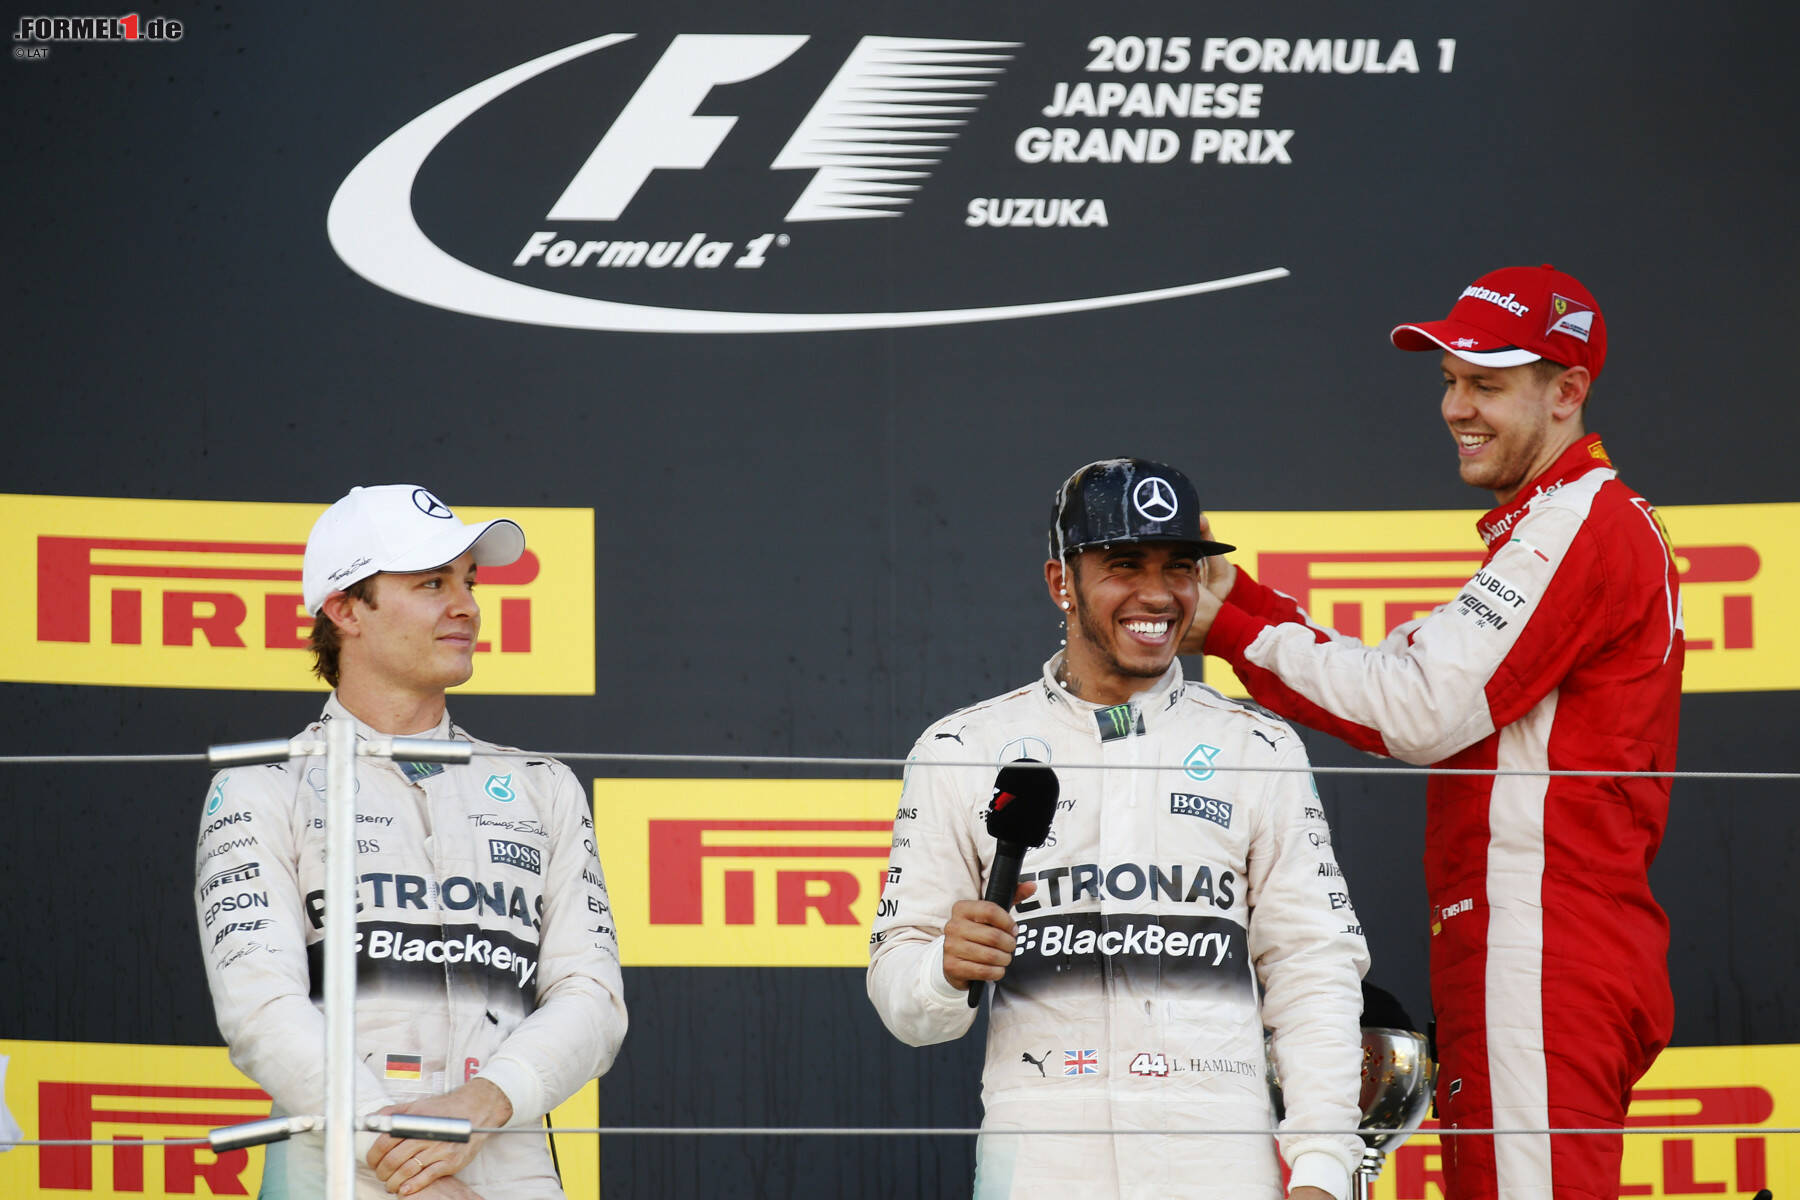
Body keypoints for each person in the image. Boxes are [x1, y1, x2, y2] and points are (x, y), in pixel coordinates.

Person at [1185, 265, 1680, 1199]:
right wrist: (1239, 601)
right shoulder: (1553, 530)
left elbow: (1415, 709)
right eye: (1451, 381)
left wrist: (1234, 631)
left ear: (1567, 392)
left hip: (1545, 946)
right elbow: (1404, 674)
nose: (1456, 408)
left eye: (1486, 384)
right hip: (1526, 945)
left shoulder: (1579, 525)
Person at [868, 459, 1370, 1200]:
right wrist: (943, 968)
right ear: (1061, 582)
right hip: (1041, 1166)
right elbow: (902, 992)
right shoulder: (961, 748)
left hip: (1221, 1162)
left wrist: (1324, 1167)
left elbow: (1313, 967)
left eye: (1180, 567)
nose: (1158, 594)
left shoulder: (1259, 747)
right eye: (1125, 564)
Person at [195, 485, 627, 1200]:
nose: (466, 607)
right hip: (337, 1171)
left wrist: (486, 1100)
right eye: (432, 583)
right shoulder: (260, 787)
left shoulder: (542, 785)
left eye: (469, 583)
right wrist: (397, 1159)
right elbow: (260, 1009)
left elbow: (593, 997)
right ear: (345, 610)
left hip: (510, 1161)